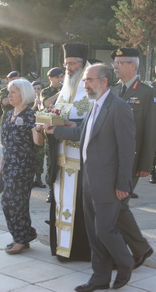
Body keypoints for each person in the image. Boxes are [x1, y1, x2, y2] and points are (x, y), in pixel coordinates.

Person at [45, 64, 135, 291]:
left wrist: (123, 184)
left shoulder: (119, 107)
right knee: (94, 233)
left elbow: (127, 149)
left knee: (105, 230)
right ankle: (100, 278)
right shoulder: (94, 105)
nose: (85, 84)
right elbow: (80, 133)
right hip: (87, 180)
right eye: (85, 80)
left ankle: (126, 263)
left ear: (104, 81)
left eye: (90, 80)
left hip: (108, 182)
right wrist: (55, 131)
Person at [110, 47, 156, 268]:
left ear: (133, 65)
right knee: (114, 206)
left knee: (118, 205)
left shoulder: (147, 93)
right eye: (115, 63)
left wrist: (146, 164)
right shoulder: (114, 90)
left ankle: (140, 248)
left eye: (120, 63)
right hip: (111, 159)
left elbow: (151, 131)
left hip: (132, 160)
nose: (115, 66)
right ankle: (125, 249)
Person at [47, 43, 91, 262]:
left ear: (83, 65)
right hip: (62, 161)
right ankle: (62, 249)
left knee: (79, 208)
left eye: (73, 63)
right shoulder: (65, 89)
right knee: (61, 205)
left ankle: (80, 250)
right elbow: (60, 114)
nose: (69, 68)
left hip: (82, 163)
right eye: (66, 64)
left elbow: (90, 128)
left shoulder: (92, 91)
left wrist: (62, 128)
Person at [0, 78, 44, 254]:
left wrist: (39, 128)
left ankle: (21, 238)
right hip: (9, 164)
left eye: (13, 92)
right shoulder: (10, 114)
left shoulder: (30, 116)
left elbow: (37, 142)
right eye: (9, 92)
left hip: (23, 166)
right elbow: (6, 143)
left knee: (14, 202)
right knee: (10, 202)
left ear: (23, 94)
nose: (9, 95)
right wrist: (1, 165)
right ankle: (23, 236)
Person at [40, 67, 65, 202]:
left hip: (64, 128)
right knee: (51, 160)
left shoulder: (68, 92)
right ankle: (51, 189)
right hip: (50, 130)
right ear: (51, 78)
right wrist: (61, 93)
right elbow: (47, 103)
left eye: (62, 77)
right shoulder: (46, 91)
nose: (60, 79)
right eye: (58, 77)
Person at [31, 80, 47, 188]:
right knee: (29, 157)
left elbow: (45, 113)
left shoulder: (44, 100)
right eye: (34, 88)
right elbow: (25, 115)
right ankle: (30, 179)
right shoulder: (27, 100)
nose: (36, 91)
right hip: (29, 132)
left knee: (39, 156)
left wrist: (40, 104)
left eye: (38, 88)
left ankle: (38, 179)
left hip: (40, 133)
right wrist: (33, 105)